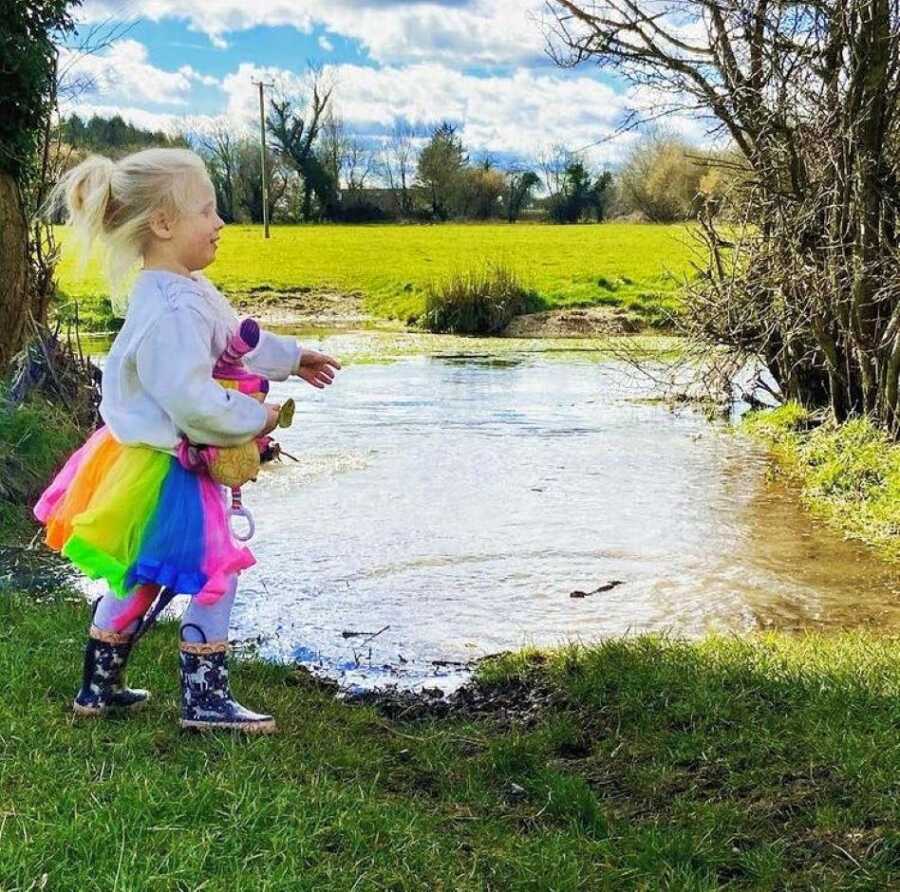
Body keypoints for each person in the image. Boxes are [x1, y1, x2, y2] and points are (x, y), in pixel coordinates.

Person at [36, 148, 340, 734]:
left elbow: (236, 341)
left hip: (149, 462)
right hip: (169, 466)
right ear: (164, 224)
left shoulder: (186, 289)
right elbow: (193, 401)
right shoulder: (171, 309)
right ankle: (205, 698)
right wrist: (256, 416)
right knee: (215, 573)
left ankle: (98, 688)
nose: (219, 222)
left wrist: (294, 357)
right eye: (207, 210)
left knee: (141, 575)